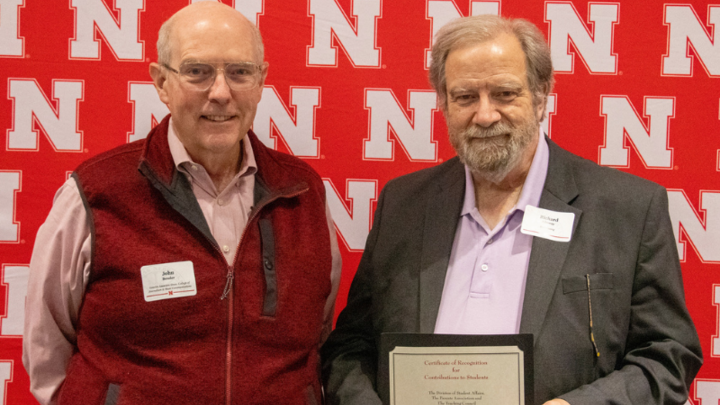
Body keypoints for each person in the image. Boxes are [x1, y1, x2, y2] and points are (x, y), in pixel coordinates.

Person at [321, 14, 701, 405]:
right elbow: (351, 348)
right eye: (466, 96)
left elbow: (668, 356)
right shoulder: (403, 204)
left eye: (504, 93)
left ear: (541, 96)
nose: (485, 115)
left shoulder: (628, 209)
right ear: (443, 103)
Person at [22, 3, 341, 404]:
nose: (221, 92)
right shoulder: (97, 192)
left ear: (261, 82)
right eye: (197, 72)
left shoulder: (302, 193)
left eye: (240, 72)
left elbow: (319, 329)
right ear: (161, 82)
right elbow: (46, 346)